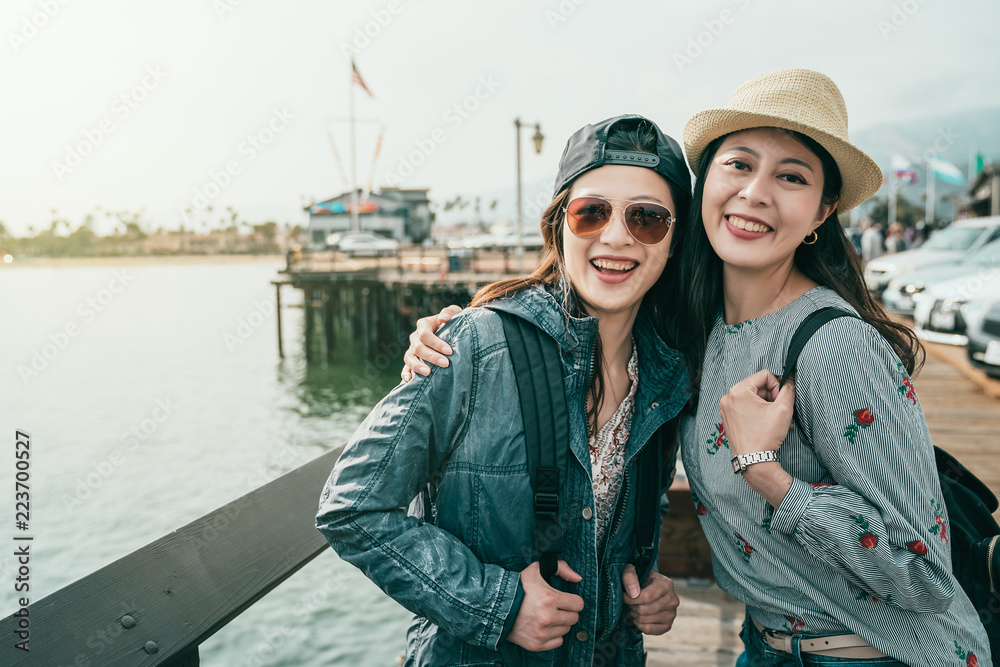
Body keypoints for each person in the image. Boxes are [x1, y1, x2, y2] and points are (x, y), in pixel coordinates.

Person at [401, 69, 992, 666]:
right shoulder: (691, 335)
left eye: (791, 177)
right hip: (765, 646)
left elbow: (924, 575)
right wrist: (464, 336)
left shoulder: (836, 346)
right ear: (704, 181)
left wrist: (769, 476)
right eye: (738, 164)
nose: (756, 193)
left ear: (822, 211)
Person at [316, 115, 694, 666]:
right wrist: (498, 605)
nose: (616, 236)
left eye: (647, 218)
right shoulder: (474, 344)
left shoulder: (666, 378)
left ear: (674, 239)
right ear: (560, 227)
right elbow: (351, 506)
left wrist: (644, 585)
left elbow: (632, 514)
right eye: (592, 213)